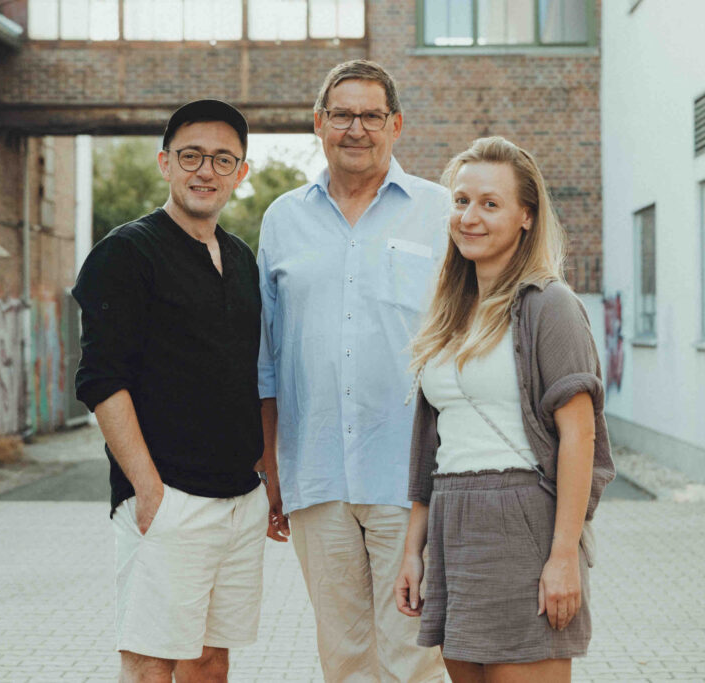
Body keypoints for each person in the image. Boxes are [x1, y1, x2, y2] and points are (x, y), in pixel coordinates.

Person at [393, 136, 616, 682]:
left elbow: (579, 438)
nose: (470, 216)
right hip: (453, 522)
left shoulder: (550, 305)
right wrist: (413, 549)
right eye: (462, 200)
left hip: (522, 524)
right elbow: (434, 445)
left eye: (490, 204)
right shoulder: (450, 312)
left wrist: (564, 554)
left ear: (525, 217)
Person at [256, 60, 448, 682]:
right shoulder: (282, 219)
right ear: (319, 124)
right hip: (315, 470)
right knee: (343, 659)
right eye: (341, 115)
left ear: (395, 125)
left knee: (412, 655)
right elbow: (267, 358)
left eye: (370, 115)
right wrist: (271, 468)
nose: (355, 129)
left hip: (411, 476)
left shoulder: (440, 212)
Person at [73, 99, 267, 683]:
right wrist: (149, 490)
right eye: (191, 156)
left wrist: (265, 477)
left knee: (211, 659)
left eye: (222, 159)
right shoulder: (125, 253)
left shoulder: (239, 258)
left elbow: (249, 373)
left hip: (239, 500)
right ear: (164, 162)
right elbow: (102, 380)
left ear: (241, 172)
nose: (205, 171)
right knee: (151, 660)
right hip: (168, 500)